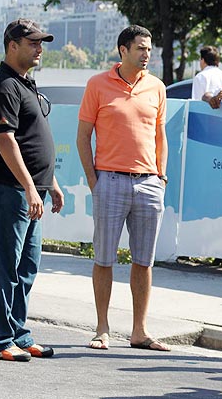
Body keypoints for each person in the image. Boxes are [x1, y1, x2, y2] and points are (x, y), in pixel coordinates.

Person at [77, 24, 170, 352]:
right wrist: (94, 181)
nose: (147, 54)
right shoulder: (97, 84)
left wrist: (161, 177)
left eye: (149, 49)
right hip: (110, 180)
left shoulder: (157, 87)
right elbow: (82, 136)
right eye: (141, 49)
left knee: (144, 261)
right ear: (123, 51)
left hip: (148, 183)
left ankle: (139, 332)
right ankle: (102, 328)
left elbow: (160, 137)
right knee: (104, 258)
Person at [0, 18, 64, 361]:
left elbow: (32, 139)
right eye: (33, 43)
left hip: (30, 189)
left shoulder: (25, 82)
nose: (39, 48)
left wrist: (49, 184)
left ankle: (19, 334)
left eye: (41, 43)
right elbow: (5, 139)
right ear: (12, 45)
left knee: (27, 266)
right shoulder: (3, 85)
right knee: (4, 266)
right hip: (6, 187)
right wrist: (29, 188)